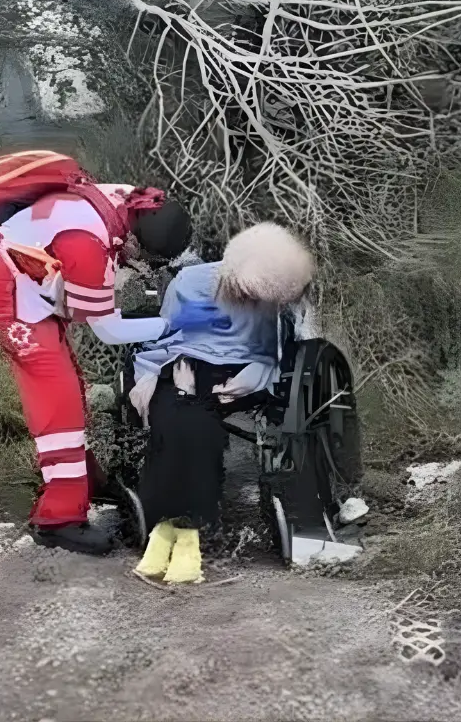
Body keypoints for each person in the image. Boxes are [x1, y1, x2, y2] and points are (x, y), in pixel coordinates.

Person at [0, 150, 194, 555]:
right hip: (10, 292)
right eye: (144, 260)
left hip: (22, 280)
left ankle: (83, 479)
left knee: (69, 383)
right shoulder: (89, 243)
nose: (140, 268)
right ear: (137, 241)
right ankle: (58, 519)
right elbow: (108, 330)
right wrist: (172, 325)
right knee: (59, 396)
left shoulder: (121, 201)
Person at [127, 222, 351, 583]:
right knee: (184, 415)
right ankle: (185, 530)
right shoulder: (190, 284)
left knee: (302, 406)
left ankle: (308, 523)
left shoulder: (275, 292)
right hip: (194, 365)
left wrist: (261, 371)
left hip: (254, 369)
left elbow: (283, 347)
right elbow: (164, 341)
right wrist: (151, 376)